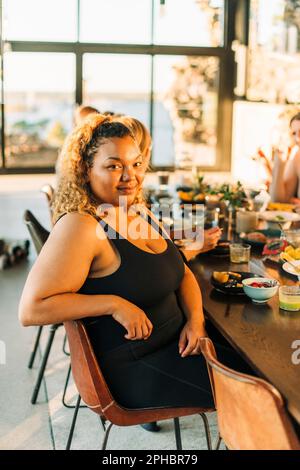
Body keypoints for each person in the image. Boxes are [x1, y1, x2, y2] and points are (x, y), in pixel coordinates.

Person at [19, 114, 253, 425]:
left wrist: (196, 321)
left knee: (263, 369)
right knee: (261, 393)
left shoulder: (137, 210)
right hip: (139, 367)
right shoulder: (82, 226)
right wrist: (114, 304)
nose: (130, 176)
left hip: (182, 343)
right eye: (114, 165)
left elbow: (182, 273)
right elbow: (31, 309)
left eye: (136, 163)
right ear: (85, 170)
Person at [270, 112, 300, 204]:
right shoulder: (297, 156)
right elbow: (279, 199)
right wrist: (279, 164)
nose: (298, 138)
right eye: (294, 133)